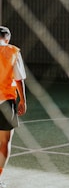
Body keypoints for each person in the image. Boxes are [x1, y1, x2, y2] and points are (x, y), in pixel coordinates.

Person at [0, 26, 27, 188]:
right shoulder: (13, 52)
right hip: (5, 101)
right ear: (7, 39)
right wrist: (23, 100)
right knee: (5, 142)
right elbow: (18, 79)